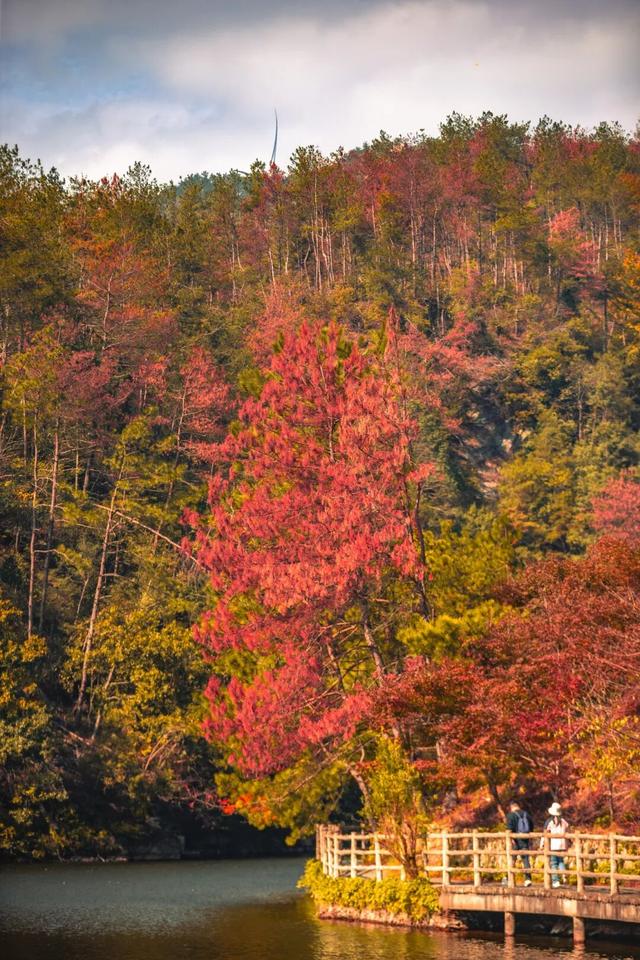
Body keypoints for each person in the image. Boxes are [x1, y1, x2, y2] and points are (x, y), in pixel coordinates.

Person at [540, 801, 569, 888]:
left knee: (553, 863)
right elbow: (567, 829)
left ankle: (556, 881)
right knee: (561, 861)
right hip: (562, 845)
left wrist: (541, 844)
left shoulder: (549, 821)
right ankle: (564, 874)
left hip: (552, 845)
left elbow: (545, 834)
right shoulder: (563, 821)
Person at [506, 799, 533, 886]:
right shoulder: (526, 814)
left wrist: (511, 840)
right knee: (525, 859)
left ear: (511, 807)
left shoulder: (511, 815)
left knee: (512, 858)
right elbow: (532, 826)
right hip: (525, 839)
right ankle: (528, 879)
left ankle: (509, 878)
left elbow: (509, 829)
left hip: (515, 840)